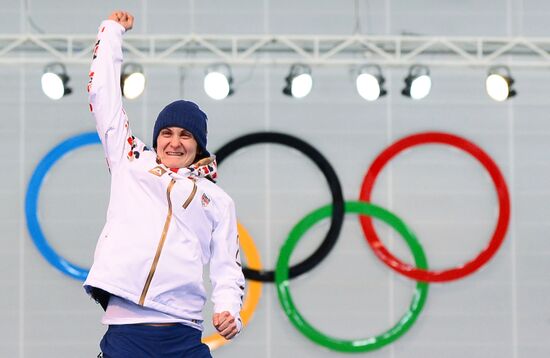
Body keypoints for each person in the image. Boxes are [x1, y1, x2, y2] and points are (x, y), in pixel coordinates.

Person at [83, 11, 245, 358]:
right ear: (156, 138)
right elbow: (103, 95)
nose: (174, 142)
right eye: (166, 133)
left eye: (185, 135)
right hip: (126, 332)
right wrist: (112, 32)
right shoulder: (131, 162)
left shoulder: (217, 200)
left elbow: (227, 266)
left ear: (198, 145)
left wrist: (230, 309)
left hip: (184, 335)